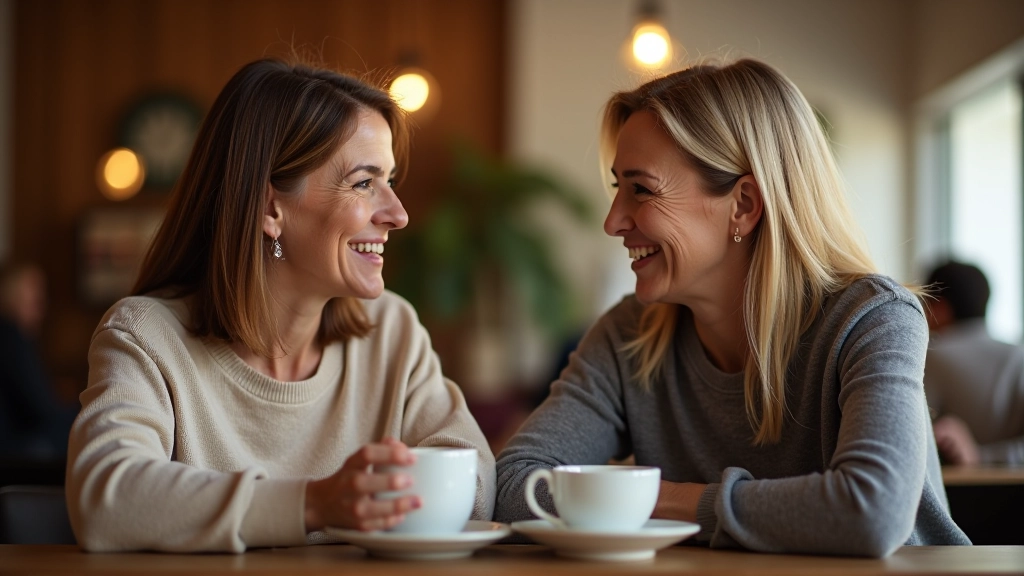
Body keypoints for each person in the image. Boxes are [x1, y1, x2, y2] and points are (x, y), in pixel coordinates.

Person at [494, 58, 970, 556]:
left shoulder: (873, 320)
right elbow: (514, 486)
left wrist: (650, 499)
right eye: (618, 188)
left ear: (743, 204)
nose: (613, 221)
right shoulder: (627, 336)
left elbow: (871, 512)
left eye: (641, 190)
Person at [66, 58, 495, 553]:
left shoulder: (390, 331)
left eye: (390, 181)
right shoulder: (146, 336)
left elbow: (473, 473)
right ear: (271, 209)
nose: (397, 214)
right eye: (363, 183)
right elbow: (106, 500)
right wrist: (315, 504)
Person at [923, 260, 1024, 466]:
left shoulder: (931, 356)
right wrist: (987, 455)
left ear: (940, 308)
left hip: (958, 493)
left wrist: (976, 455)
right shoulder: (1017, 355)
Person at [0, 263, 75, 459]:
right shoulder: (10, 334)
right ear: (9, 293)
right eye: (33, 289)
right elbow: (42, 409)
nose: (41, 301)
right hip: (14, 452)